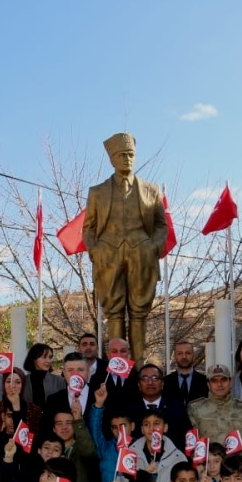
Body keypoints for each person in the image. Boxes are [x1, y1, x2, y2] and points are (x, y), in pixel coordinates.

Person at [81, 131, 168, 362]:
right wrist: (95, 250)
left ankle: (139, 366)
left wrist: (153, 246)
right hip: (108, 255)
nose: (126, 159)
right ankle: (117, 367)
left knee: (139, 312)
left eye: (130, 154)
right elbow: (88, 228)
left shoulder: (151, 190)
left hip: (142, 253)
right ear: (112, 159)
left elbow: (161, 225)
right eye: (121, 155)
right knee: (114, 312)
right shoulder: (97, 192)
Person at [118, 408, 188, 482]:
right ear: (142, 429)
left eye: (156, 423)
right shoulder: (129, 456)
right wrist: (143, 476)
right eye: (146, 424)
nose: (151, 428)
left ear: (165, 427)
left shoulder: (178, 457)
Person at [186, 364, 242, 456]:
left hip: (237, 466)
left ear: (230, 382)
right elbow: (191, 443)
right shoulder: (195, 409)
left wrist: (240, 462)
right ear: (208, 384)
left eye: (223, 380)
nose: (219, 384)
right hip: (207, 466)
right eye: (214, 381)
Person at [124, 363, 193, 451]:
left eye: (155, 378)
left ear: (162, 384)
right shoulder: (129, 410)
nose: (150, 382)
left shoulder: (177, 408)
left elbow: (185, 438)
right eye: (145, 378)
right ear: (139, 385)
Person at [0, 368, 42, 440]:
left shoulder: (34, 410)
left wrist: (16, 404)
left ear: (23, 385)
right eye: (8, 381)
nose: (12, 386)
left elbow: (32, 439)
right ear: (3, 384)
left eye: (18, 382)